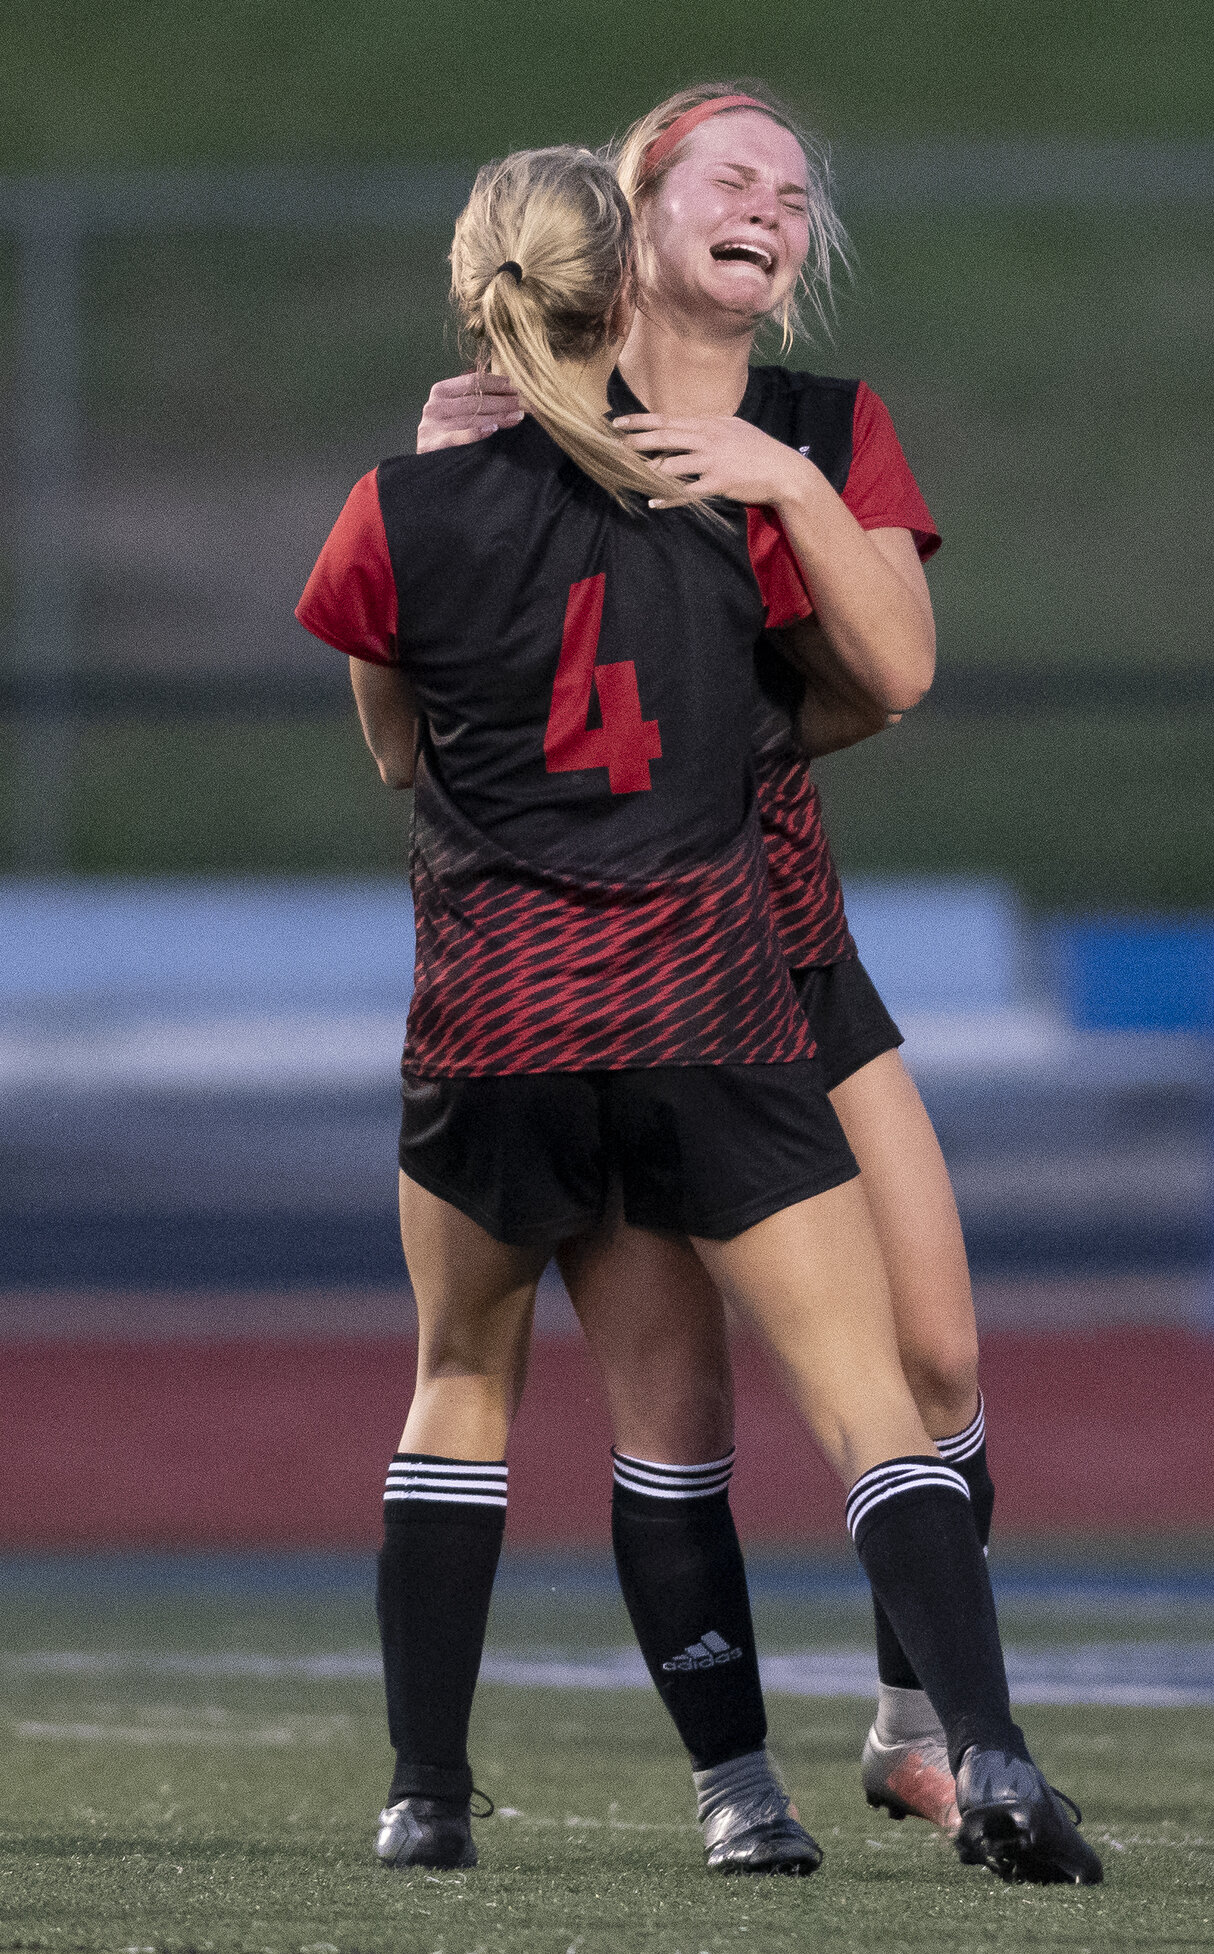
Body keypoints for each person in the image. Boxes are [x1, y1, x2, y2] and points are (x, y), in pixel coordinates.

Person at [295, 142, 1098, 1885]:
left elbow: (393, 748)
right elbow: (856, 689)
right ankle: (992, 1750)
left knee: (463, 1383)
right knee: (863, 1395)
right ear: (626, 276)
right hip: (706, 1008)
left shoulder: (395, 504)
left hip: (492, 1028)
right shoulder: (734, 503)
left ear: (475, 293)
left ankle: (435, 1790)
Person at [413, 82, 987, 1842]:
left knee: (943, 1361)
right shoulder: (508, 429)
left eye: (799, 197)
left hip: (793, 956)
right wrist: (449, 492)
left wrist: (787, 484)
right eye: (735, 177)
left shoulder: (823, 421)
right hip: (617, 980)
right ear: (639, 204)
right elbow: (426, 713)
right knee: (678, 1404)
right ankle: (734, 1790)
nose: (774, 209)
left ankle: (909, 1715)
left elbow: (893, 673)